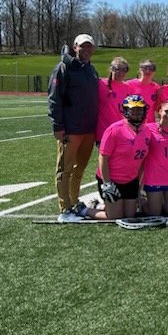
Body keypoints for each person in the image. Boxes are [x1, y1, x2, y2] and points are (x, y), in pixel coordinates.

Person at [60, 94, 150, 222]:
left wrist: (139, 186)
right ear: (125, 111)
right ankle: (83, 210)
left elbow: (142, 161)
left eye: (139, 110)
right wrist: (107, 184)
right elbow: (103, 158)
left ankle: (98, 205)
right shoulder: (114, 130)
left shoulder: (146, 132)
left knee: (130, 215)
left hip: (130, 180)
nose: (136, 113)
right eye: (133, 110)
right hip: (112, 180)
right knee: (115, 216)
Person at [48, 33, 99, 215]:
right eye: (82, 46)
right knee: (65, 169)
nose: (86, 49)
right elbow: (54, 99)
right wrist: (58, 125)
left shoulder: (91, 69)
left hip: (88, 129)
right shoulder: (63, 68)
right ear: (75, 47)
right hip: (70, 129)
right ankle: (65, 206)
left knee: (79, 169)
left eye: (89, 46)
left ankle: (75, 200)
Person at [141, 101, 168, 217]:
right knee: (155, 213)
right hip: (154, 177)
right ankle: (141, 201)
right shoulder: (148, 128)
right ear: (159, 111)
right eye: (166, 111)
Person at [95, 57, 131, 144]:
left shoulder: (128, 88)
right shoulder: (100, 84)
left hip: (122, 132)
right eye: (117, 69)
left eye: (124, 69)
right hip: (104, 132)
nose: (121, 73)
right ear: (111, 69)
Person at [126, 59, 159, 124]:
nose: (148, 71)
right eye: (145, 68)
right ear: (139, 70)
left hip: (149, 124)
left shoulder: (157, 87)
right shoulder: (129, 84)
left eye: (151, 68)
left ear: (154, 72)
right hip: (133, 124)